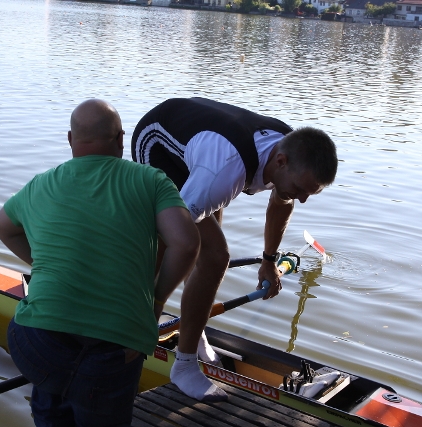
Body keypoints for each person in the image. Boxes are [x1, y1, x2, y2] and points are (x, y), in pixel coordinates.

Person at [0, 99, 200, 427]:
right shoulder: (151, 180)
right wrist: (156, 300)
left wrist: (45, 262)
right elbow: (186, 243)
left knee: (52, 397)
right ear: (120, 138)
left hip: (36, 341)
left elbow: (2, 226)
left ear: (70, 139)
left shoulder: (40, 184)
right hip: (113, 349)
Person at [131, 97, 338, 402]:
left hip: (207, 150)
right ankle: (183, 365)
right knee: (215, 256)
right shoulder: (226, 171)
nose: (303, 199)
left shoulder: (289, 153)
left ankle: (193, 333)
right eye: (300, 189)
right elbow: (166, 236)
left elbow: (282, 203)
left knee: (208, 241)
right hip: (157, 142)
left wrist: (269, 261)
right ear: (280, 162)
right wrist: (152, 308)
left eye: (310, 193)